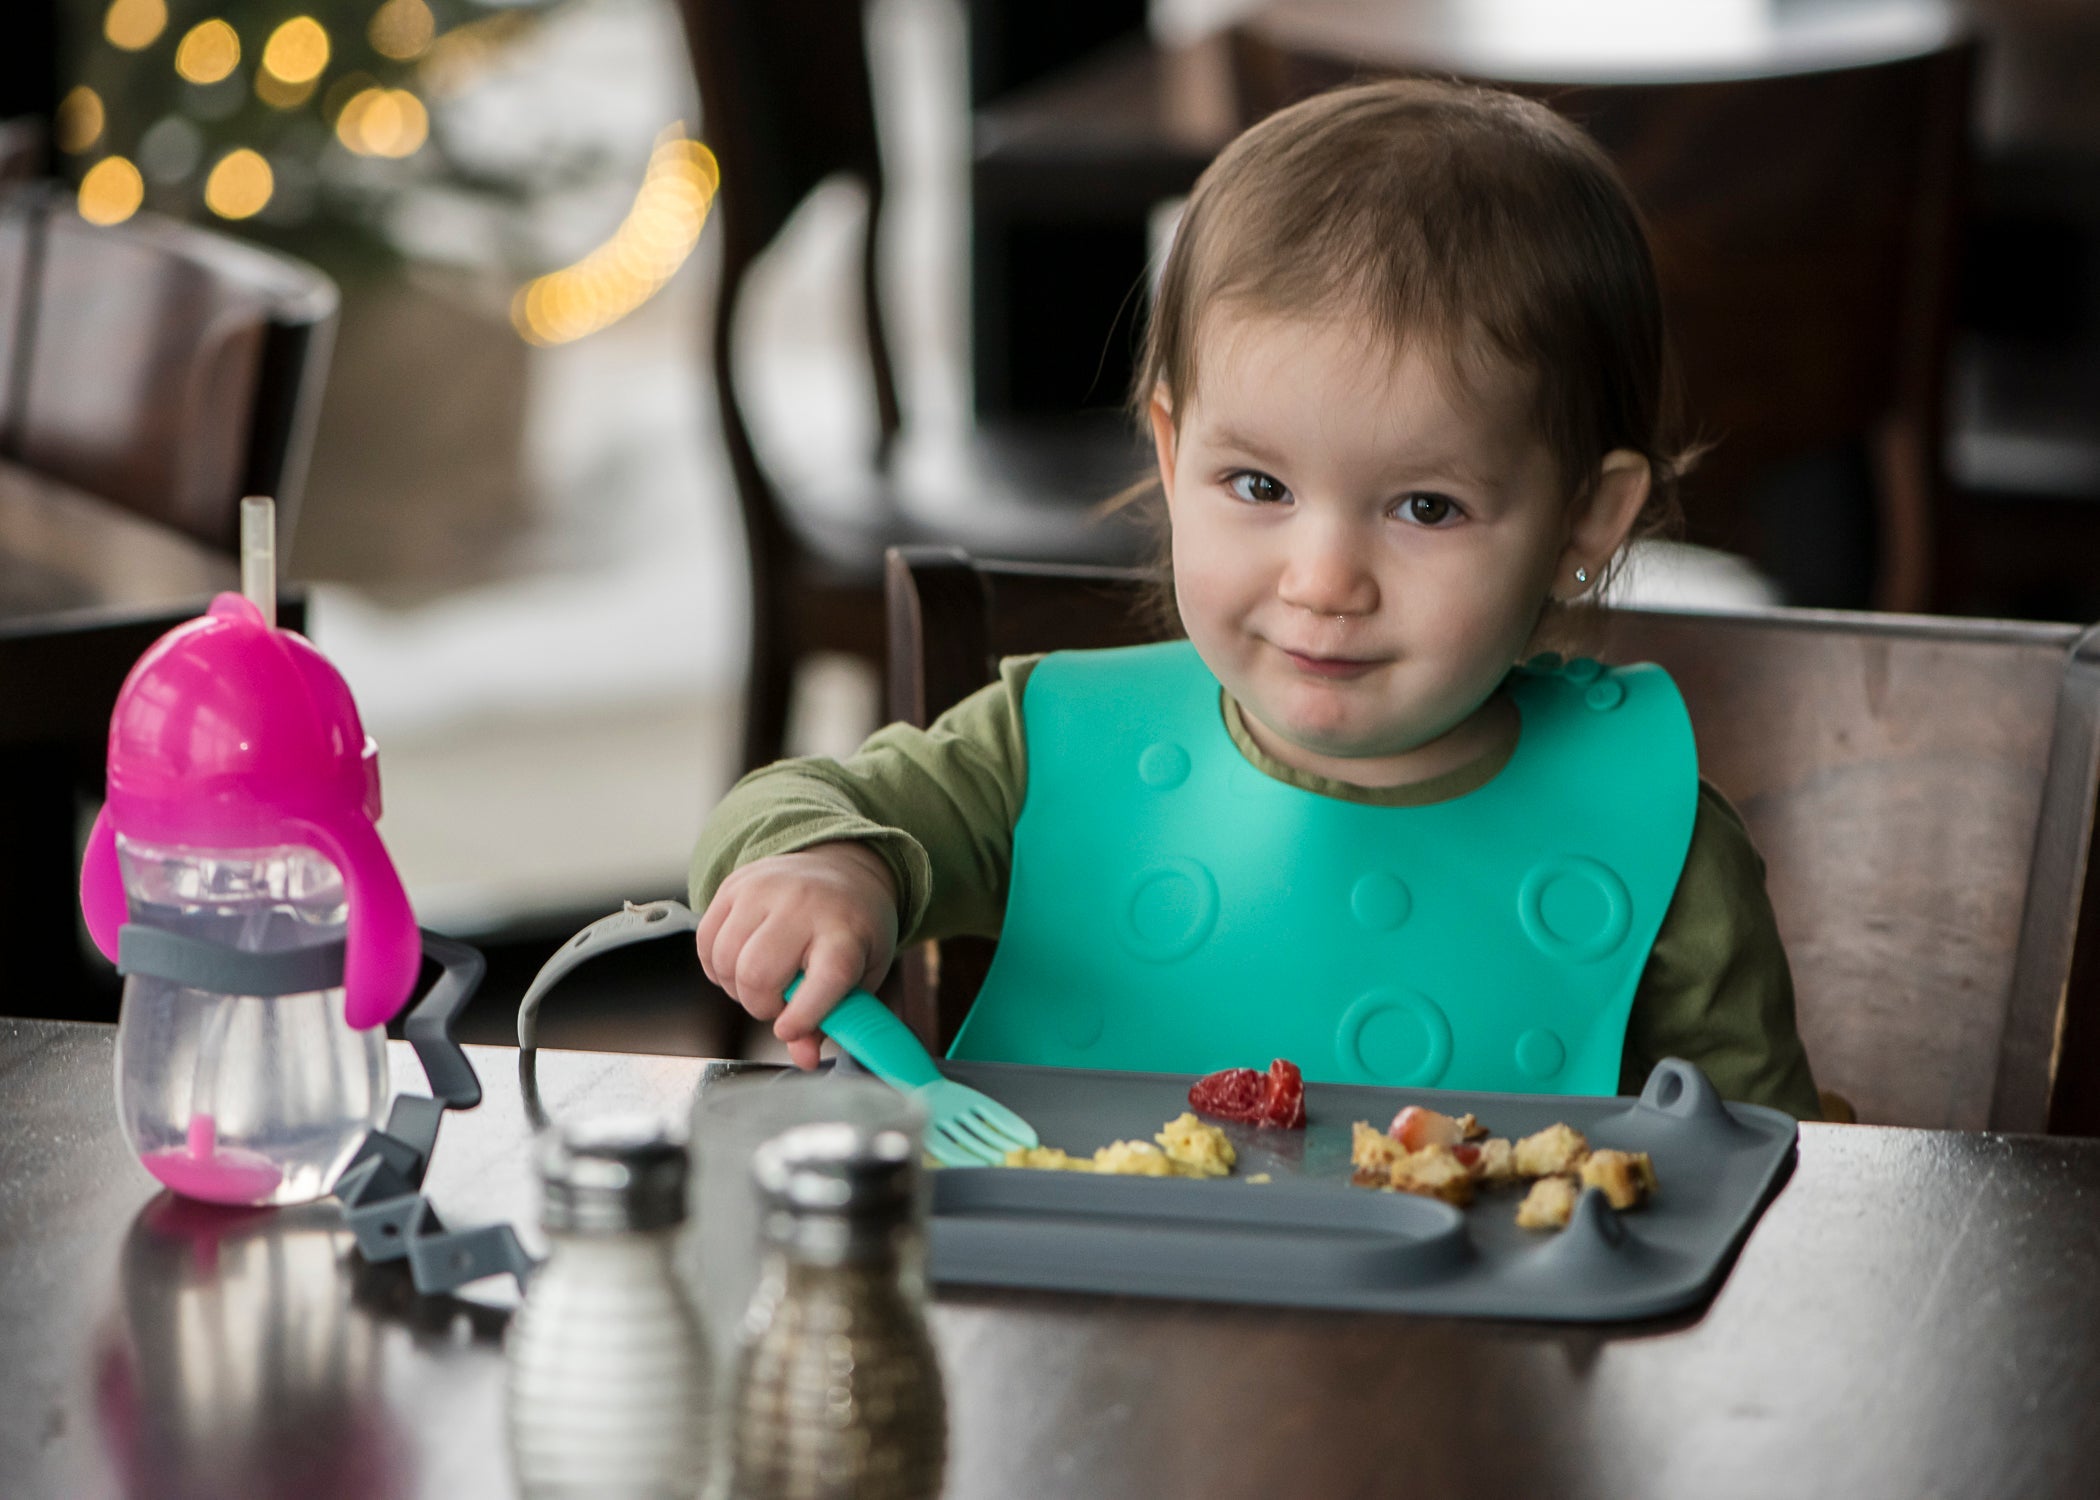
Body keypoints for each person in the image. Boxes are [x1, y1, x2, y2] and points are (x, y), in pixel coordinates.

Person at [690, 78, 1822, 1119]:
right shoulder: (1044, 757)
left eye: (1426, 507)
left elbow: (1782, 1189)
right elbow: (784, 811)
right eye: (1260, 486)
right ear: (1172, 453)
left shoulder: (1661, 840)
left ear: (1584, 521)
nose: (1323, 583)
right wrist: (829, 870)